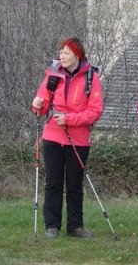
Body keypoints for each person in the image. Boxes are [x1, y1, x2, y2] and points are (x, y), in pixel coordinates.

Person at [32, 37, 103, 239]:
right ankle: (51, 226)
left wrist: (70, 119)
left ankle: (76, 226)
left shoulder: (91, 77)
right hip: (53, 136)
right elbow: (42, 107)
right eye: (61, 52)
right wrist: (37, 104)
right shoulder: (52, 76)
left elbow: (95, 111)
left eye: (66, 52)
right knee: (53, 181)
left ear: (76, 55)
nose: (61, 55)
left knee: (74, 183)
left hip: (79, 138)